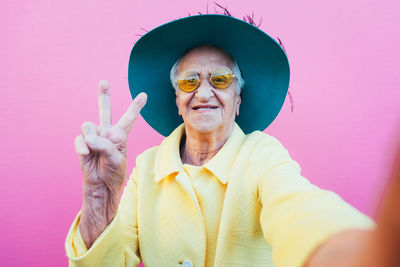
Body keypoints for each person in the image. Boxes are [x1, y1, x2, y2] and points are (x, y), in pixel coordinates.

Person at [65, 14, 398, 267]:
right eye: (190, 81)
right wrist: (98, 194)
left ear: (238, 100)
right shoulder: (147, 166)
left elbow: (300, 210)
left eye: (221, 80)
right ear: (178, 100)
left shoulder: (262, 156)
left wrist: (368, 252)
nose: (205, 92)